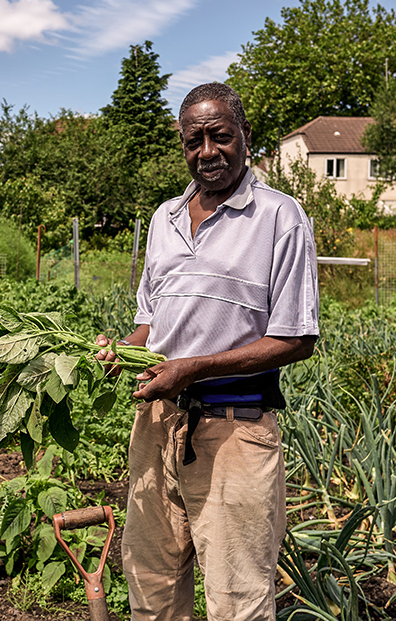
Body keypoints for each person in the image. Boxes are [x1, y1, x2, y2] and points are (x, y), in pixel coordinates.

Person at [96, 82, 319, 621]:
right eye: (194, 140)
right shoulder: (163, 218)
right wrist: (115, 352)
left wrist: (194, 369)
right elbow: (150, 325)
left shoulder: (279, 218)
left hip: (235, 432)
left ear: (245, 137)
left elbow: (296, 338)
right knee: (151, 583)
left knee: (236, 600)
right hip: (155, 426)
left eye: (220, 137)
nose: (207, 152)